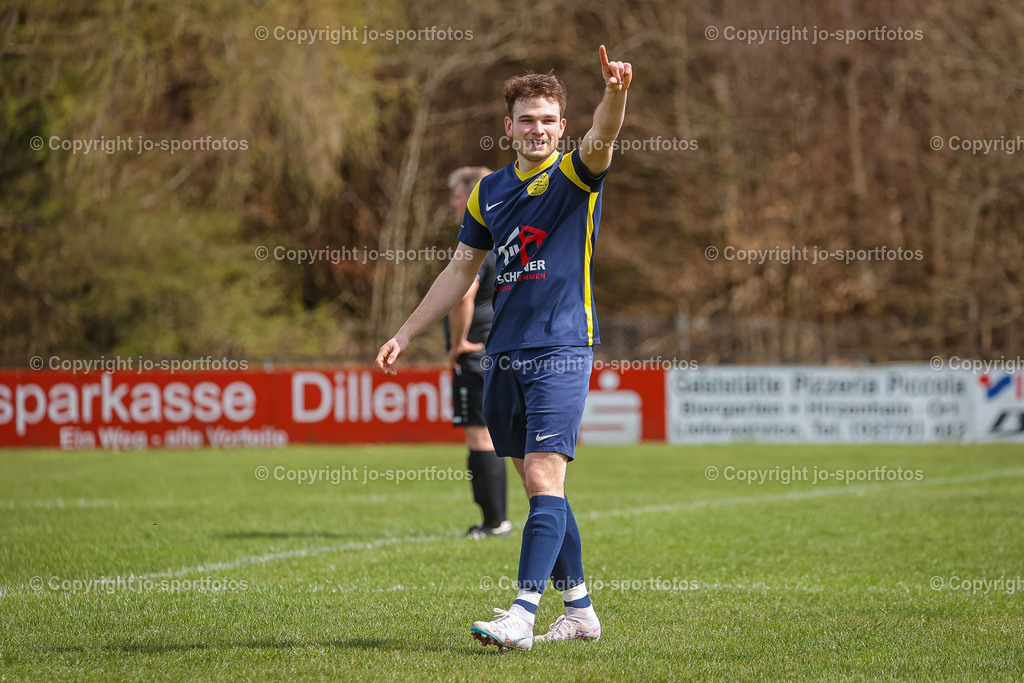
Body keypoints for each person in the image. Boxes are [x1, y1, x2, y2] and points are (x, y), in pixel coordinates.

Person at [376, 44, 632, 651]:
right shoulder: (487, 191)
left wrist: (616, 93)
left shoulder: (576, 173)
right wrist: (406, 331)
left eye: (549, 118)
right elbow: (459, 272)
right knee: (540, 485)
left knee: (545, 476)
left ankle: (521, 612)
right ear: (508, 127)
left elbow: (605, 133)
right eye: (527, 119)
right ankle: (581, 611)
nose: (538, 128)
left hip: (562, 347)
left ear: (562, 126)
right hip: (503, 355)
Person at [444, 166, 510, 539]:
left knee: (479, 437)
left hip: (477, 352)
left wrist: (459, 343)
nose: (454, 203)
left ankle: (493, 522)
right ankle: (496, 519)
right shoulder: (504, 239)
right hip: (497, 348)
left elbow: (464, 294)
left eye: (458, 195)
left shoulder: (479, 244)